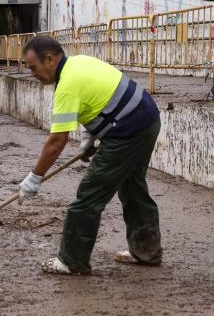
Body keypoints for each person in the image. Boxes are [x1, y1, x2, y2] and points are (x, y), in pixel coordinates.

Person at [17, 36, 163, 275]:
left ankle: (71, 261)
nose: (32, 74)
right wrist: (91, 133)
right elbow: (100, 97)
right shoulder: (78, 63)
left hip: (128, 129)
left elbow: (57, 141)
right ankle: (147, 251)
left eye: (33, 67)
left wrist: (35, 177)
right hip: (146, 117)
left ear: (50, 60)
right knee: (132, 187)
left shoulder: (66, 86)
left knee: (89, 194)